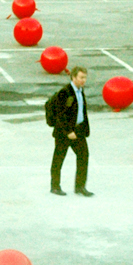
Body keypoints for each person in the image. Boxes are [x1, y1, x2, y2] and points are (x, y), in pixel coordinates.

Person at [49, 66, 92, 196]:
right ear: (73, 77)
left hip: (78, 130)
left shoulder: (80, 91)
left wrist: (85, 129)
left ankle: (80, 186)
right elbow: (60, 114)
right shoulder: (65, 92)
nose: (83, 80)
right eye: (81, 77)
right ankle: (55, 186)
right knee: (58, 159)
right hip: (64, 132)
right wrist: (68, 131)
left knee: (83, 156)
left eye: (85, 77)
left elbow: (82, 111)